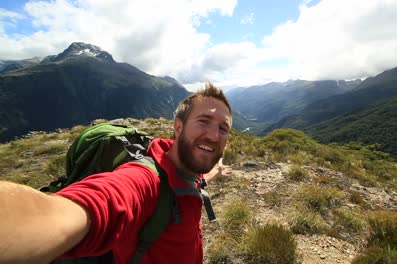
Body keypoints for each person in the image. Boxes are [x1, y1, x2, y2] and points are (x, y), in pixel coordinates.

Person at [0, 83, 233, 264]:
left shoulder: (189, 169)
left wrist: (216, 170)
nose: (214, 136)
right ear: (178, 127)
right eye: (204, 121)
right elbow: (92, 205)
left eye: (223, 128)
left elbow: (195, 180)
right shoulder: (144, 180)